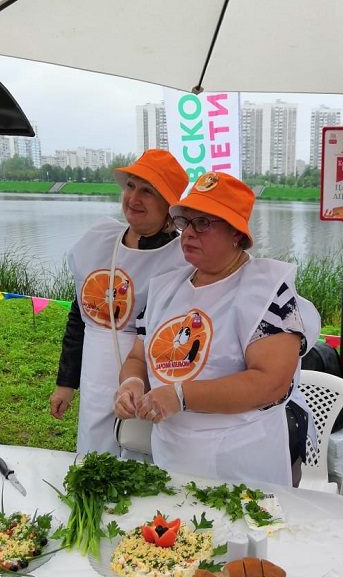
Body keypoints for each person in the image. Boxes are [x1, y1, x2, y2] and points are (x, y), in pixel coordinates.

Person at [113, 171, 320, 486]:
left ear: (236, 233)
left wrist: (181, 395)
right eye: (185, 222)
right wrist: (131, 384)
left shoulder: (266, 293)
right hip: (172, 456)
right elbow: (139, 357)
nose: (188, 233)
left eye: (203, 223)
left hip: (242, 463)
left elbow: (271, 383)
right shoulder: (164, 289)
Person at [50, 149, 188, 456]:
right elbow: (79, 318)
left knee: (136, 454)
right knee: (93, 454)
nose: (133, 198)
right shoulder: (99, 241)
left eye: (148, 191)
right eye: (131, 186)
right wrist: (66, 384)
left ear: (170, 207)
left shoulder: (182, 259)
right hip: (94, 374)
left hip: (145, 377)